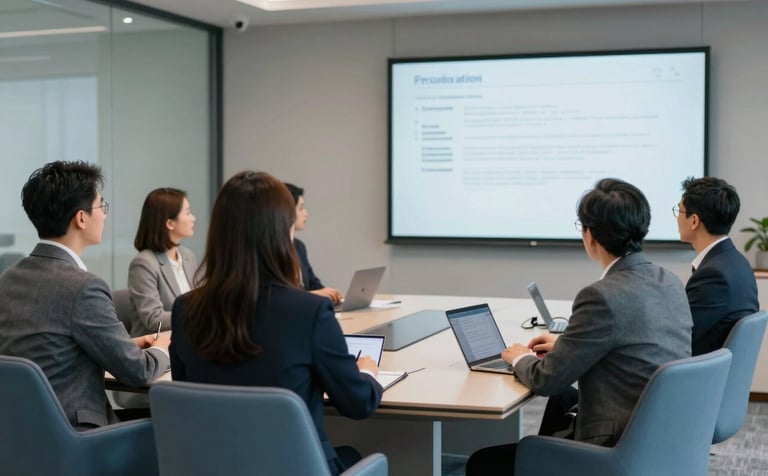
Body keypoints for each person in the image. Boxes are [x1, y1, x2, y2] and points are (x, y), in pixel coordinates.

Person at [466, 178, 692, 475]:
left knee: (482, 463)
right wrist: (566, 346)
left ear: (591, 236)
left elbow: (547, 381)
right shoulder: (669, 281)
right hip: (659, 439)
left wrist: (519, 357)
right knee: (559, 410)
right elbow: (633, 345)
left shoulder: (601, 295)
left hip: (614, 448)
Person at [169, 171, 382, 475]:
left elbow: (187, 393)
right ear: (284, 233)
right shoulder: (310, 312)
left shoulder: (185, 308)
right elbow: (358, 404)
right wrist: (367, 374)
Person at [0, 161, 170, 430]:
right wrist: (162, 349)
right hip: (77, 438)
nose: (104, 215)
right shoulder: (83, 287)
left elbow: (52, 349)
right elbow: (139, 372)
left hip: (21, 439)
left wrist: (128, 344)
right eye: (101, 206)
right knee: (173, 427)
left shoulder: (8, 279)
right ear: (81, 218)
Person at [676, 176, 759, 355]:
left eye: (679, 211)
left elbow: (680, 338)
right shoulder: (738, 263)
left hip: (698, 376)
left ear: (694, 221)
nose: (677, 218)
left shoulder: (714, 276)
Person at [128, 187, 198, 337]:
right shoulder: (144, 263)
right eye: (188, 213)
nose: (193, 218)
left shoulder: (187, 256)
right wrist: (200, 316)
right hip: (156, 348)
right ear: (170, 224)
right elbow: (153, 319)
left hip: (187, 340)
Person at [284, 182, 343, 303]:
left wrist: (330, 293)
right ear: (286, 212)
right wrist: (312, 295)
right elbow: (282, 296)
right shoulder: (271, 250)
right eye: (300, 208)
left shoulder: (298, 246)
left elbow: (313, 284)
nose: (306, 213)